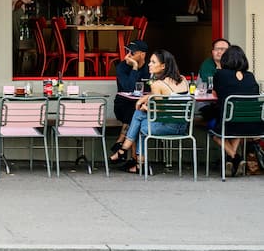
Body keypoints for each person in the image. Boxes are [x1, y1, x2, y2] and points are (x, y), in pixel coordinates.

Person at [110, 49, 189, 175]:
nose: (149, 64)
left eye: (153, 62)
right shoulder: (183, 80)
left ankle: (129, 154)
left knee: (140, 121)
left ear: (163, 66)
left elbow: (158, 111)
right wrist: (144, 98)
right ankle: (124, 152)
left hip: (168, 127)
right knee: (139, 117)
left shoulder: (158, 84)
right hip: (183, 126)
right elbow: (165, 97)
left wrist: (146, 108)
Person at [203, 45, 261, 177]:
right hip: (253, 123)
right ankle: (230, 160)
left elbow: (215, 94)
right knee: (239, 123)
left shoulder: (220, 74)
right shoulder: (250, 76)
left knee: (213, 130)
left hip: (229, 122)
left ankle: (235, 158)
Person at [110, 40, 150, 156]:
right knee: (134, 111)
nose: (129, 55)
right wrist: (135, 67)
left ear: (142, 54)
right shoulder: (122, 67)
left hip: (142, 107)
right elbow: (129, 88)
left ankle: (122, 145)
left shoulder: (150, 67)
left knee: (136, 112)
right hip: (122, 106)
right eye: (128, 51)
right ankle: (134, 159)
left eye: (132, 52)